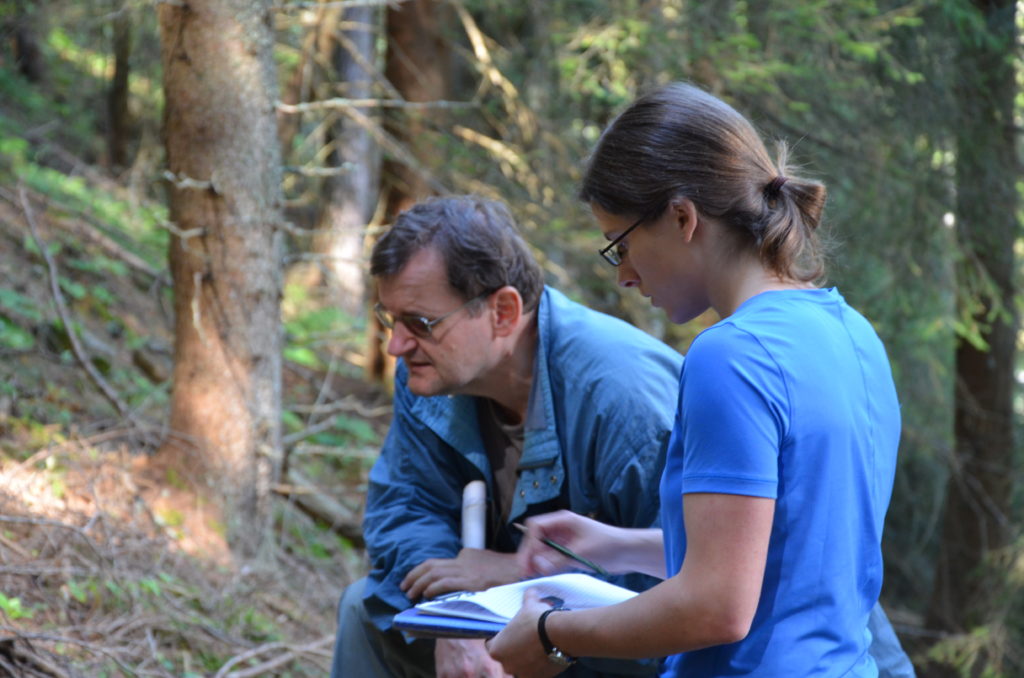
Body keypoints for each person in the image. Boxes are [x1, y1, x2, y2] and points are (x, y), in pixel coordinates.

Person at [486, 82, 909, 678]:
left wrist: (552, 634)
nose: (624, 276)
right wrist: (613, 544)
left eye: (621, 246)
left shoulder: (730, 357)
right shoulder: (852, 333)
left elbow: (717, 607)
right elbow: (784, 553)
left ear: (682, 217)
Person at [329, 195, 684, 678]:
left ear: (502, 311)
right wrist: (454, 618)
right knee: (361, 609)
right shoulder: (432, 371)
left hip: (609, 642)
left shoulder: (623, 399)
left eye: (419, 323)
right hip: (502, 613)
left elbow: (685, 582)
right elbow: (405, 506)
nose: (396, 344)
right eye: (390, 319)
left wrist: (526, 576)